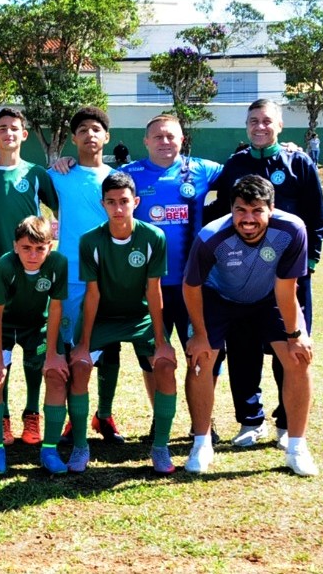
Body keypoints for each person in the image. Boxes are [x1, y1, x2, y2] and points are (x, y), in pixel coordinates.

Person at [207, 99, 323, 448]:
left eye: (267, 121)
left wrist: (309, 265)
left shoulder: (298, 162)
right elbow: (215, 209)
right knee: (243, 350)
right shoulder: (236, 165)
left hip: (288, 276)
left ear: (280, 125)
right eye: (253, 121)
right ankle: (250, 421)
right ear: (246, 126)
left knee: (290, 349)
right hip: (242, 277)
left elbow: (317, 221)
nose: (260, 127)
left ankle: (287, 426)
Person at [182, 176, 318, 476]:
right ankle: (201, 443)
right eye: (241, 210)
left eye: (257, 210)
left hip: (269, 296)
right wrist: (200, 335)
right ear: (231, 209)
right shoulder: (211, 236)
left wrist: (296, 336)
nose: (248, 219)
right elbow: (191, 287)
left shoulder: (292, 229)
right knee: (201, 361)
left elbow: (286, 289)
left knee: (298, 359)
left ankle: (296, 446)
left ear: (272, 208)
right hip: (217, 298)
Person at [121, 114, 223, 442]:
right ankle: (159, 419)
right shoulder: (127, 175)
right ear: (146, 141)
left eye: (171, 137)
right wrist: (64, 161)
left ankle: (202, 422)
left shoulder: (204, 169)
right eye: (158, 137)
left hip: (196, 287)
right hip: (148, 287)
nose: (165, 142)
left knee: (202, 354)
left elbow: (247, 168)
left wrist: (290, 147)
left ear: (182, 140)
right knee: (153, 358)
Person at [69, 172, 177, 474]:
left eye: (124, 202)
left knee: (166, 365)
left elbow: (153, 291)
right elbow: (92, 294)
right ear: (103, 204)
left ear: (136, 202)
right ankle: (80, 446)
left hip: (140, 318)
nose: (118, 208)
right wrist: (83, 345)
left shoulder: (153, 236)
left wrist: (162, 341)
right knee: (79, 366)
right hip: (102, 317)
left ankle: (160, 448)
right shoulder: (90, 240)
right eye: (112, 202)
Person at [0, 108, 58, 446]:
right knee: (0, 348)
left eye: (14, 128)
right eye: (2, 128)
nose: (8, 132)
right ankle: (5, 419)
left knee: (34, 349)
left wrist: (53, 247)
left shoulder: (37, 173)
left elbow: (59, 208)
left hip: (34, 273)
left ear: (24, 134)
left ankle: (31, 416)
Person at [49, 108, 120, 447]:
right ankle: (70, 419)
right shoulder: (59, 174)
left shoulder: (118, 178)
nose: (90, 135)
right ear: (74, 139)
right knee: (69, 349)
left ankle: (103, 414)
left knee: (108, 347)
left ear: (106, 137)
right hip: (70, 277)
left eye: (96, 129)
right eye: (83, 130)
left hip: (108, 277)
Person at [0, 216, 68, 475]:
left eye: (40, 248)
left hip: (35, 327)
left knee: (55, 375)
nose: (33, 254)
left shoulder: (58, 263)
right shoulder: (5, 266)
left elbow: (55, 308)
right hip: (2, 326)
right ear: (15, 246)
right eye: (26, 248)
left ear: (50, 246)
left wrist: (52, 354)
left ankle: (49, 449)